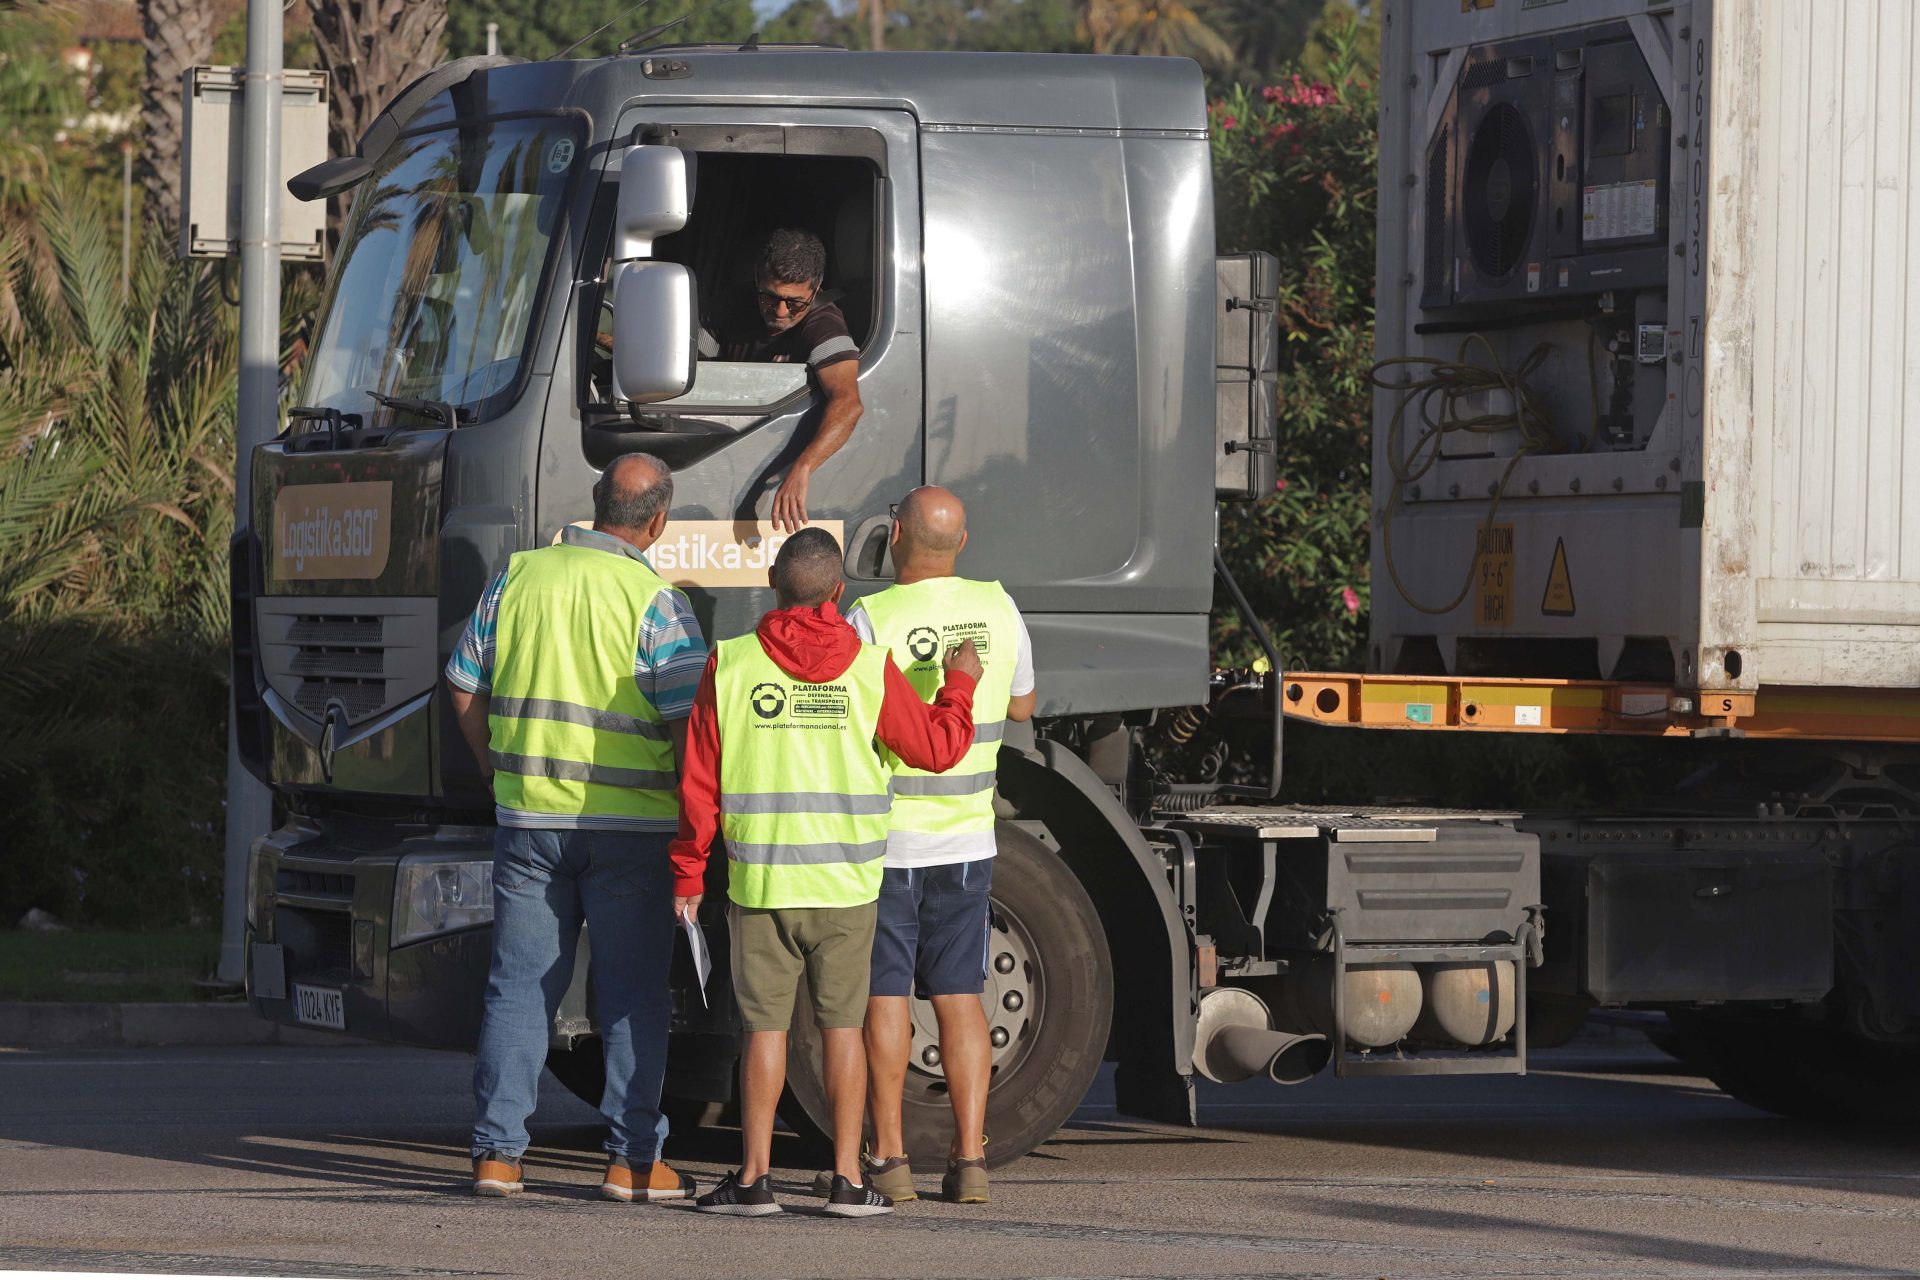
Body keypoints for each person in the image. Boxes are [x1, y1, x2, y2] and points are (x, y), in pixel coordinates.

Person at [668, 528, 983, 1217]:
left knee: (764, 1032)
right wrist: (959, 684)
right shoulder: (871, 668)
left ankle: (753, 1180)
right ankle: (846, 1179)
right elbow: (937, 750)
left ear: (773, 587)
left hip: (762, 886)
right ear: (838, 592)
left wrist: (689, 873)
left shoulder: (731, 663)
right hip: (847, 887)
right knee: (843, 1030)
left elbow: (699, 782)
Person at [444, 452, 707, 1204]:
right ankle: (632, 1163)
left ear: (597, 502)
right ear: (658, 522)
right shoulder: (657, 602)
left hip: (528, 821)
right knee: (630, 994)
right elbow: (687, 722)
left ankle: (497, 1156)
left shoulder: (517, 578)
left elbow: (462, 684)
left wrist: (494, 768)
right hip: (631, 831)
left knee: (520, 986)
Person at [841, 486, 1036, 1206]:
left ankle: (890, 1159)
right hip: (967, 840)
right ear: (963, 541)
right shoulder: (999, 607)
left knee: (885, 997)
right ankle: (971, 1159)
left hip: (888, 844)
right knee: (960, 997)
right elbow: (1022, 706)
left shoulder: (870, 618)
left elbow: (850, 717)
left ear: (894, 536)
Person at [704, 228, 863, 534]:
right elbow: (689, 370)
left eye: (795, 303)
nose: (779, 311)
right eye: (770, 297)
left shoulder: (825, 326)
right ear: (757, 278)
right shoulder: (729, 305)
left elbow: (848, 403)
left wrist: (803, 467)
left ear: (816, 288)